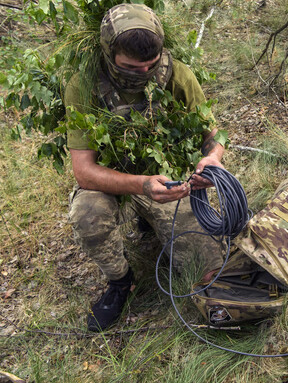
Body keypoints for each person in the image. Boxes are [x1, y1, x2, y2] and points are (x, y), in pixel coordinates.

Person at [64, 3, 225, 332]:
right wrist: (140, 185)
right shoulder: (84, 85)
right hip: (115, 182)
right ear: (108, 53)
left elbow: (214, 135)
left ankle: (154, 224)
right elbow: (84, 171)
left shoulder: (176, 73)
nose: (144, 74)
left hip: (168, 181)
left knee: (208, 268)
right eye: (131, 68)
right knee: (87, 214)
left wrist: (212, 158)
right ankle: (121, 282)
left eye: (151, 66)